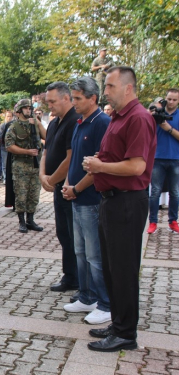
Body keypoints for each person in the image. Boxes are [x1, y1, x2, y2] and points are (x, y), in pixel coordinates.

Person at [82, 66, 156, 352]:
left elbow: (137, 166)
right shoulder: (119, 117)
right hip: (112, 201)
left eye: (111, 86)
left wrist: (100, 166)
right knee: (113, 270)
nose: (106, 92)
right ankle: (119, 322)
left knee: (123, 271)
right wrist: (98, 163)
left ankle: (126, 334)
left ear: (128, 88)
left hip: (127, 202)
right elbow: (113, 155)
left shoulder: (138, 117)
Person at [61, 77, 111, 325]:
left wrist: (77, 189)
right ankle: (87, 295)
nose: (74, 102)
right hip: (77, 198)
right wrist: (69, 185)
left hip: (90, 199)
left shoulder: (102, 123)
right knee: (80, 251)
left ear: (93, 98)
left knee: (95, 255)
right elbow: (75, 159)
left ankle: (105, 303)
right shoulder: (80, 123)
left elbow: (99, 166)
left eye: (78, 98)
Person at [40, 82, 79, 298]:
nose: (50, 106)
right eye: (48, 102)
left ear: (66, 98)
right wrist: (42, 176)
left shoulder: (74, 121)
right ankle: (70, 275)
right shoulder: (54, 123)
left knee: (75, 236)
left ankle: (79, 278)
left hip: (70, 187)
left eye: (53, 101)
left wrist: (53, 179)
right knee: (63, 232)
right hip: (57, 186)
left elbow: (70, 157)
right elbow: (47, 152)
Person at [5, 99, 46, 233]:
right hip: (21, 165)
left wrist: (38, 123)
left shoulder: (35, 123)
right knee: (21, 195)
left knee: (34, 194)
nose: (29, 110)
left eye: (30, 108)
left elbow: (47, 136)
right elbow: (9, 146)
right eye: (26, 108)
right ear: (19, 111)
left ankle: (30, 219)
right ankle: (22, 221)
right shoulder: (14, 126)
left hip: (35, 165)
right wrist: (26, 151)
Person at [147, 88, 179, 234]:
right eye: (169, 99)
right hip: (157, 157)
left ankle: (173, 220)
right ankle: (152, 221)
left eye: (174, 99)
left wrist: (168, 128)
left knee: (175, 192)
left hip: (175, 158)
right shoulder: (157, 113)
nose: (171, 102)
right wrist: (152, 112)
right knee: (155, 192)